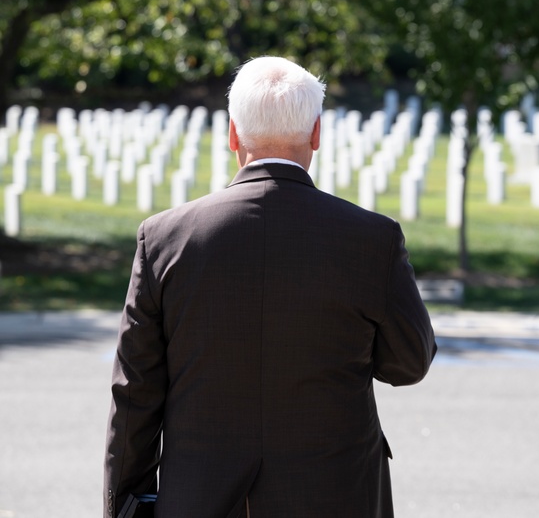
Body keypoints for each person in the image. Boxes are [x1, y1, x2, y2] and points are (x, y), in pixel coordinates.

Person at [105, 56, 437, 518]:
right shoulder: (372, 239)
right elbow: (408, 363)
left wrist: (122, 506)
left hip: (201, 499)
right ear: (317, 133)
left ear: (233, 134)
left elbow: (135, 394)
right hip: (337, 496)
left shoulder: (164, 239)